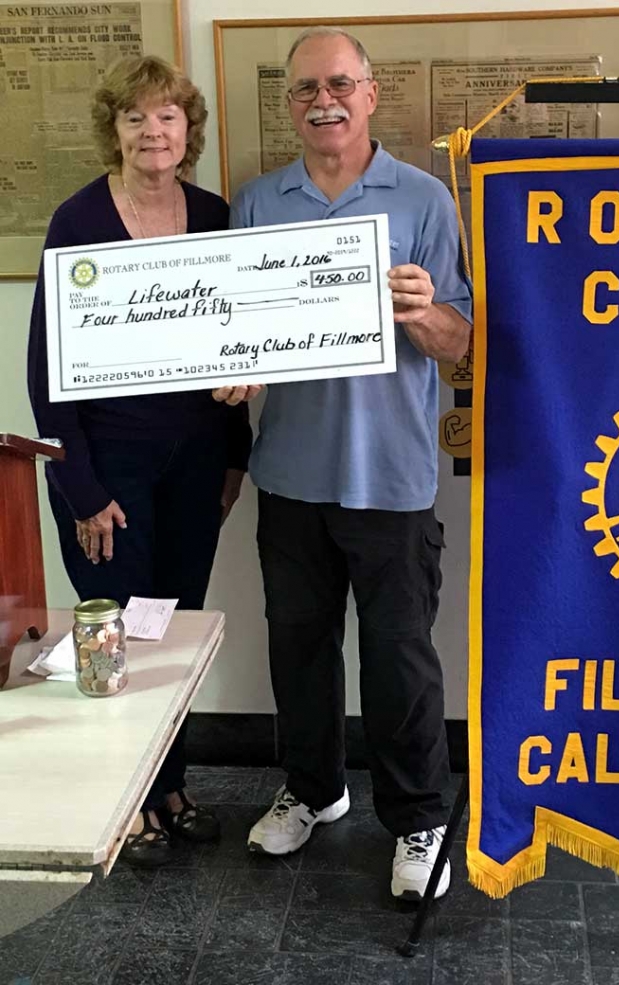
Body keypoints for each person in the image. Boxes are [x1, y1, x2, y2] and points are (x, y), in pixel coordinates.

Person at [217, 26, 471, 899]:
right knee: (299, 651)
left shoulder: (427, 199)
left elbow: (462, 342)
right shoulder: (255, 202)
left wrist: (424, 312)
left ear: (370, 93)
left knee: (401, 658)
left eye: (337, 84)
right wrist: (229, 372)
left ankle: (417, 819)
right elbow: (232, 337)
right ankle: (313, 791)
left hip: (392, 477)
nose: (321, 101)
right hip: (288, 472)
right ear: (288, 104)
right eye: (302, 90)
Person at [27, 56, 252, 867]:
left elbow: (238, 340)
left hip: (196, 461)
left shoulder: (215, 214)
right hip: (107, 469)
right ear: (113, 130)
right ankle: (125, 807)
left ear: (187, 131)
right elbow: (47, 368)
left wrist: (236, 460)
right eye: (135, 118)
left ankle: (170, 787)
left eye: (167, 117)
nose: (152, 132)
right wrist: (81, 488)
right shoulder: (78, 220)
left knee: (174, 631)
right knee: (114, 637)